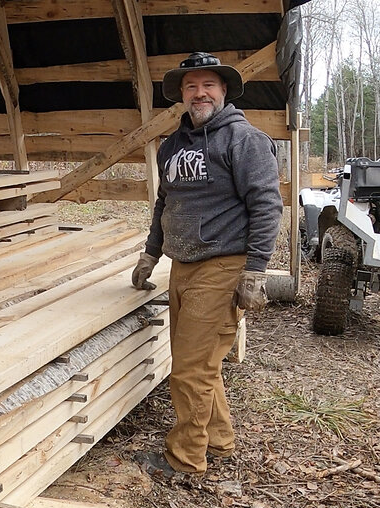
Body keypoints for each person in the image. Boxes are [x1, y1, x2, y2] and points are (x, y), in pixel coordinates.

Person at [130, 51, 282, 482]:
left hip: (223, 266)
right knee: (198, 362)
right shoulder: (173, 145)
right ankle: (218, 440)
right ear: (181, 94)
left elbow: (268, 205)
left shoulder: (244, 140)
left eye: (208, 85)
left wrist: (255, 271)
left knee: (191, 369)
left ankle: (185, 460)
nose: (200, 93)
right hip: (183, 265)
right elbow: (166, 202)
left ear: (224, 91)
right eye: (191, 86)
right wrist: (151, 252)